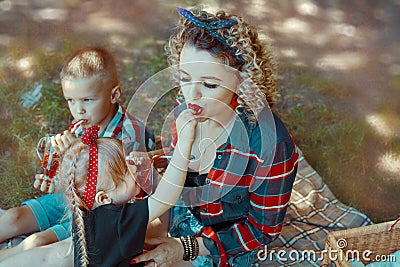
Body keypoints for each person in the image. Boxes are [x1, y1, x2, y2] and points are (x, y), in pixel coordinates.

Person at [131, 7, 299, 267]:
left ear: (242, 82)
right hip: (184, 210)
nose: (192, 95)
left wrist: (185, 248)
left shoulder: (272, 146)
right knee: (127, 246)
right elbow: (183, 162)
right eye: (185, 78)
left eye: (209, 85)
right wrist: (155, 161)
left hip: (224, 242)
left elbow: (261, 230)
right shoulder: (184, 104)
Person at [0, 47, 154, 262]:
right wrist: (57, 177)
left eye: (87, 100)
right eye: (70, 100)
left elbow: (123, 197)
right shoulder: (83, 124)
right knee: (13, 217)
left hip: (96, 215)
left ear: (114, 94)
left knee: (38, 241)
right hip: (71, 200)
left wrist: (78, 152)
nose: (78, 110)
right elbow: (71, 182)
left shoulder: (130, 137)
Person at [59, 122, 195, 266]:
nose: (134, 166)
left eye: (127, 157)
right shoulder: (114, 222)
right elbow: (165, 198)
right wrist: (184, 146)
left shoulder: (86, 211)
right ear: (104, 197)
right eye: (126, 169)